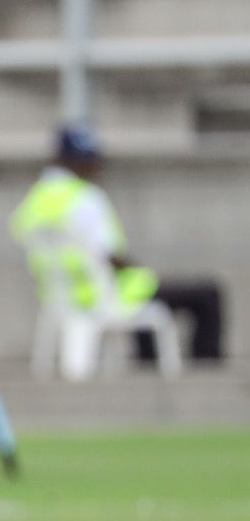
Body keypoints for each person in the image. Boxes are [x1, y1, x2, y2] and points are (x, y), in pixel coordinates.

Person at [12, 124, 226, 364]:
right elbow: (110, 255)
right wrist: (138, 269)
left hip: (60, 297)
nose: (95, 167)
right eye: (87, 160)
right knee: (206, 294)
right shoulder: (85, 198)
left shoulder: (36, 198)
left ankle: (147, 361)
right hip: (101, 295)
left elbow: (23, 233)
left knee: (146, 291)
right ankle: (204, 371)